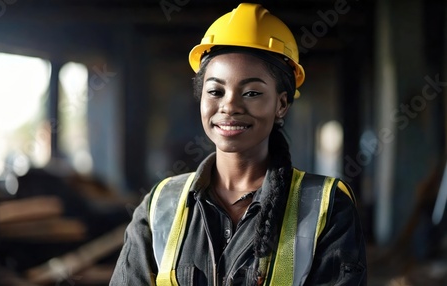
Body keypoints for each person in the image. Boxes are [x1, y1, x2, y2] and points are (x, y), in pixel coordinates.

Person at [110, 3, 367, 285]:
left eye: (252, 92)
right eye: (215, 91)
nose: (229, 105)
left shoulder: (326, 205)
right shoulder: (161, 206)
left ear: (281, 104)